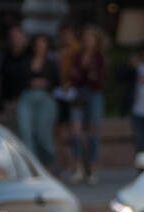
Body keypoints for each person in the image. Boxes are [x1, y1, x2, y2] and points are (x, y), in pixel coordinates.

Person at [68, 24, 107, 184]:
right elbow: (74, 76)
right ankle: (78, 167)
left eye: (91, 37)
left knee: (93, 131)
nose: (88, 40)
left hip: (94, 94)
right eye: (86, 37)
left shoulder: (100, 57)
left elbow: (100, 80)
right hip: (79, 93)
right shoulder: (77, 56)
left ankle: (93, 168)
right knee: (76, 131)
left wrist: (87, 75)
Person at [17, 34, 60, 169]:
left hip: (45, 99)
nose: (40, 48)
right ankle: (32, 165)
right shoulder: (25, 61)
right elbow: (17, 81)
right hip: (27, 97)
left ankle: (48, 162)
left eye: (43, 45)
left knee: (43, 133)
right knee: (25, 131)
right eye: (37, 45)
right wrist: (30, 83)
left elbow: (58, 83)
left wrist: (45, 84)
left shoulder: (52, 63)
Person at [53, 23, 81, 179]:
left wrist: (71, 83)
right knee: (58, 132)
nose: (66, 38)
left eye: (68, 34)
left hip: (74, 95)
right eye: (63, 35)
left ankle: (77, 165)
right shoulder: (57, 53)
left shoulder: (79, 51)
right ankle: (64, 163)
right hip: (59, 94)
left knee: (75, 132)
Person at [0, 24, 30, 130]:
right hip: (6, 103)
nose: (15, 39)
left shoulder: (29, 57)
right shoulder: (4, 57)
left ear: (24, 38)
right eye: (12, 36)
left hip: (25, 103)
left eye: (17, 36)